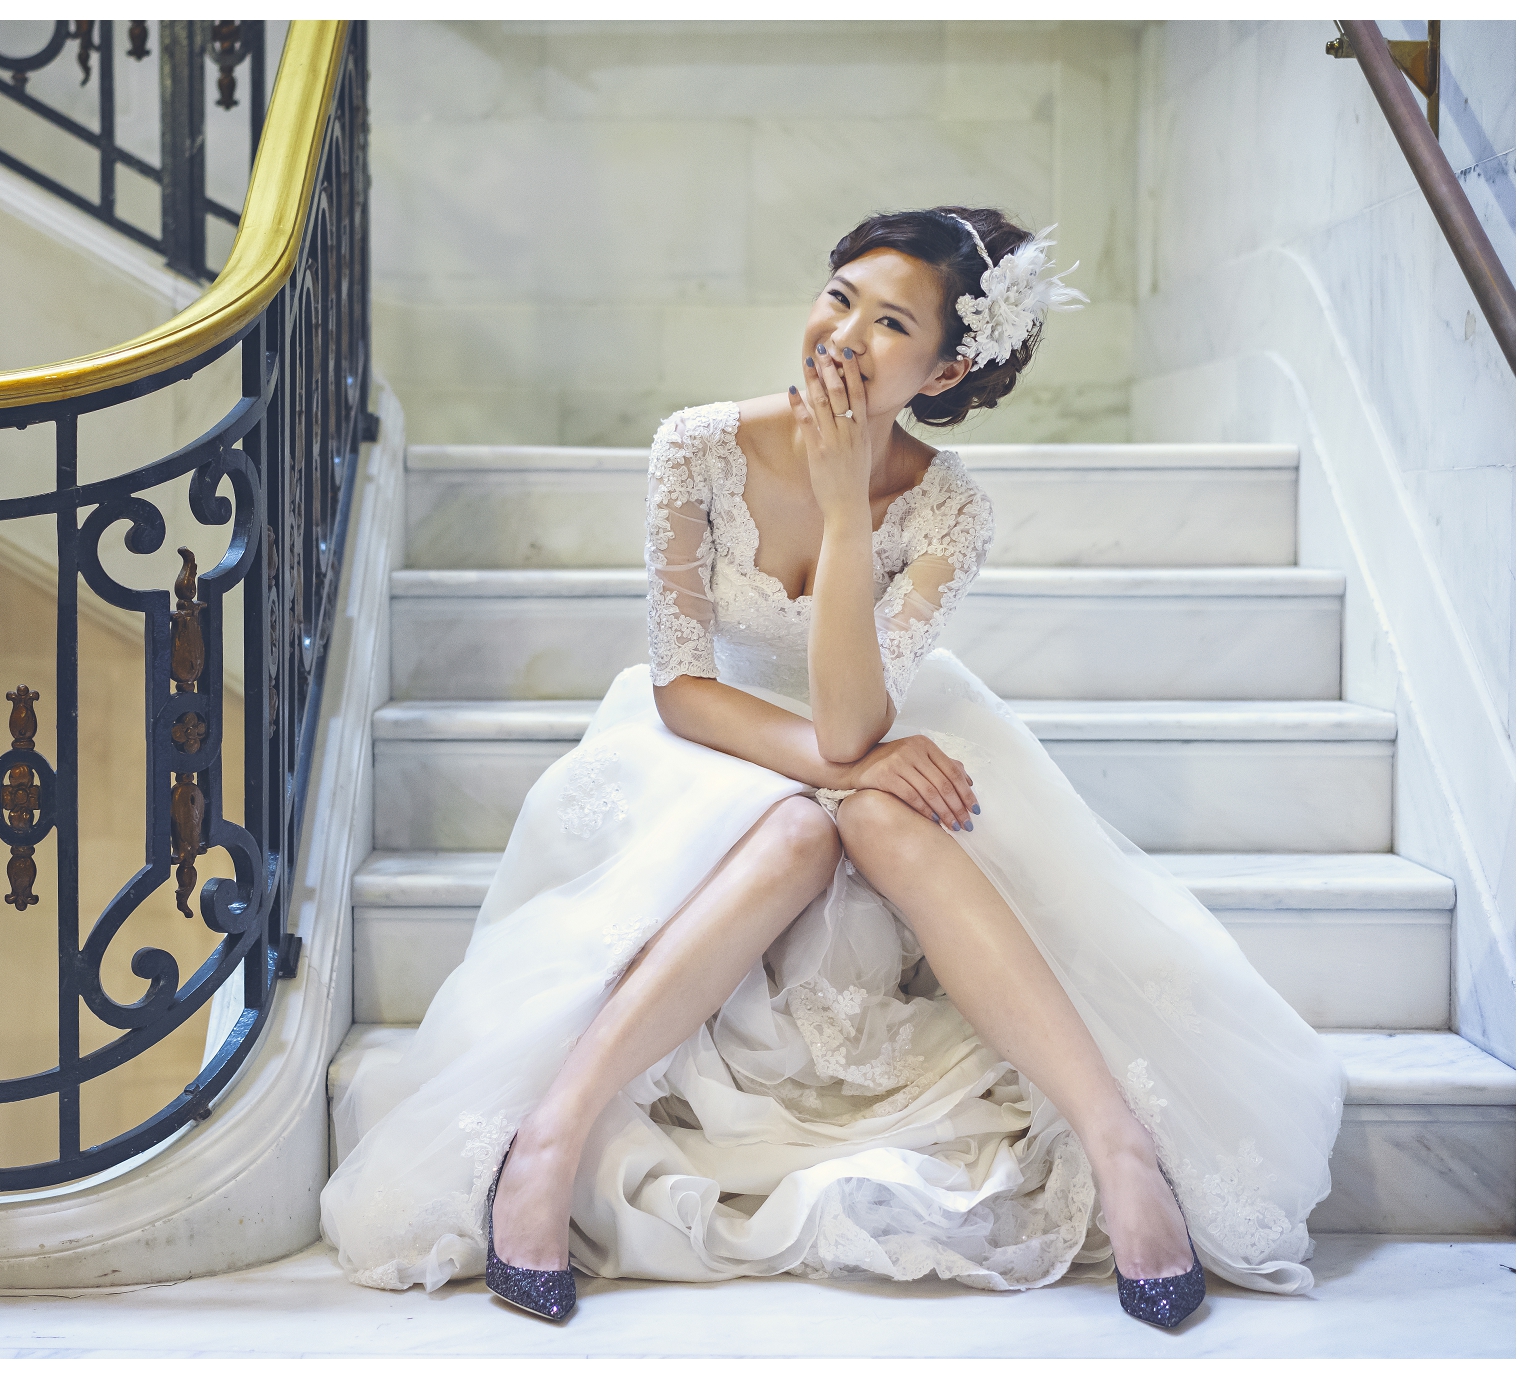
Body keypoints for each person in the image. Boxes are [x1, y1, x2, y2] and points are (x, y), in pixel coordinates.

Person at [320, 206, 1344, 1330]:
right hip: (710, 740)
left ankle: (1120, 1146)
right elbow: (680, 684)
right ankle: (547, 1138)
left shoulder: (951, 503)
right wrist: (840, 770)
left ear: (946, 363)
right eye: (837, 294)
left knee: (885, 821)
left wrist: (849, 505)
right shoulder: (695, 445)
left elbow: (856, 715)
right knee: (806, 824)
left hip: (860, 716)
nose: (841, 334)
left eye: (888, 320)